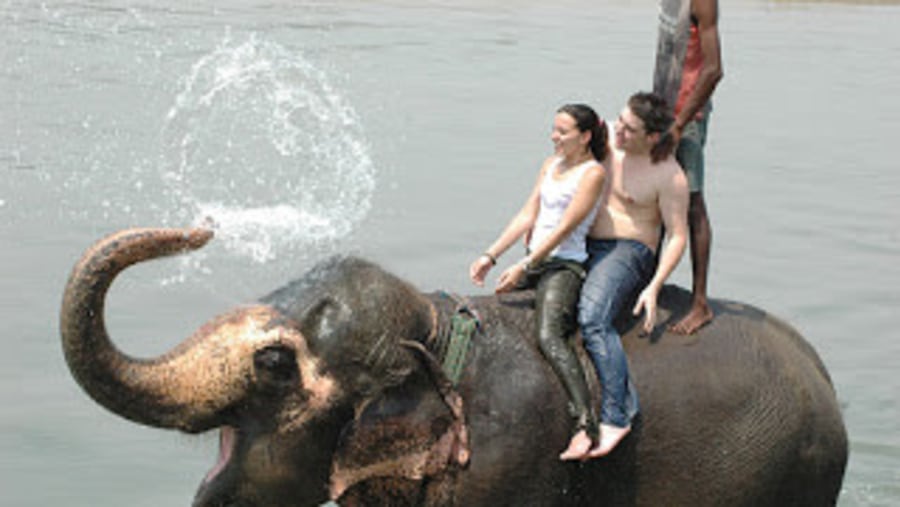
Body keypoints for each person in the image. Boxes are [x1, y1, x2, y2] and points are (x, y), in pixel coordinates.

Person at [469, 104, 608, 460]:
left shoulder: (592, 174)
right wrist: (491, 255)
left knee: (549, 335)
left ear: (585, 136)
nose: (554, 137)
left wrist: (525, 264)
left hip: (564, 266)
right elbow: (528, 214)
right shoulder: (551, 165)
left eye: (562, 132)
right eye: (554, 129)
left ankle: (585, 426)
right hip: (533, 261)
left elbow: (566, 228)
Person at [577, 92, 689, 458]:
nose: (618, 132)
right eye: (619, 121)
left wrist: (654, 286)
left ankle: (616, 415)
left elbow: (677, 236)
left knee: (593, 319)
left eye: (629, 129)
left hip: (628, 250)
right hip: (584, 241)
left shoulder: (668, 174)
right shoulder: (606, 135)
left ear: (652, 137)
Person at [653, 0, 724, 335]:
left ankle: (700, 303)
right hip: (662, 110)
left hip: (687, 118)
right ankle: (646, 281)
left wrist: (680, 124)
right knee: (655, 197)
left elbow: (714, 69)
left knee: (693, 202)